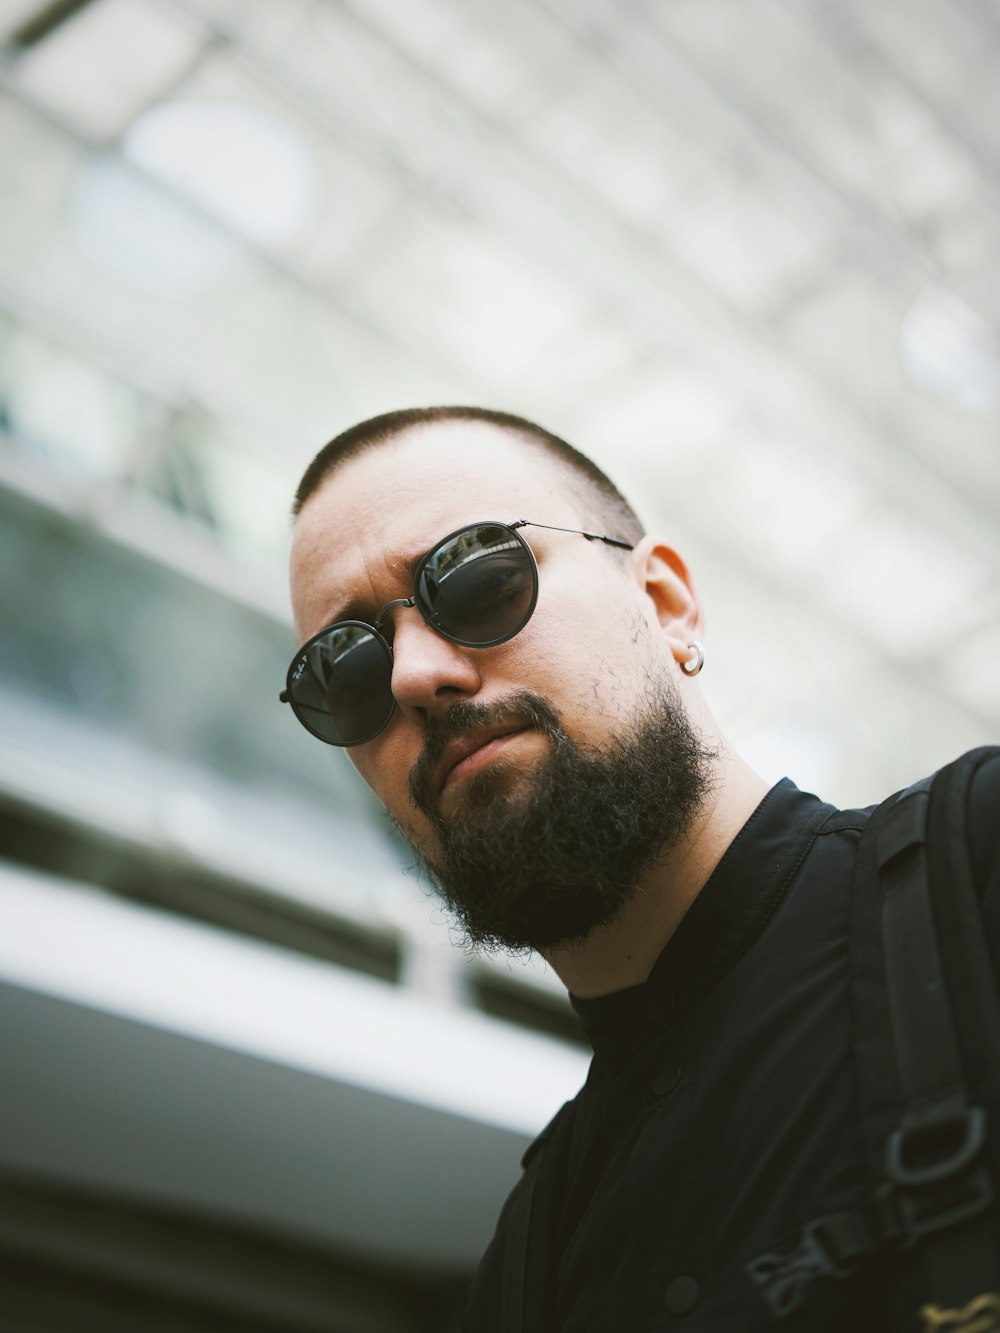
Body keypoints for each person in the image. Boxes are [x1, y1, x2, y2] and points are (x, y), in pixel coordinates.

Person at [282, 405, 1000, 1331]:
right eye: (344, 670)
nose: (414, 676)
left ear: (664, 604)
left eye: (476, 577)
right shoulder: (526, 1278)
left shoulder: (975, 872)